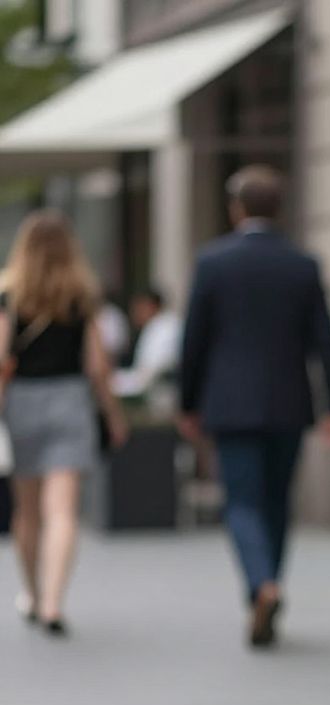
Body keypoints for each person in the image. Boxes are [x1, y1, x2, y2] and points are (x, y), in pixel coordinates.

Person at [178, 165, 330, 648]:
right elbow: (325, 340)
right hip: (289, 403)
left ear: (236, 208)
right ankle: (269, 582)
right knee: (276, 501)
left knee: (242, 501)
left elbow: (194, 340)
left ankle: (262, 585)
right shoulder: (302, 265)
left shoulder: (212, 262)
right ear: (280, 209)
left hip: (229, 404)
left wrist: (187, 403)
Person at [0, 210, 128, 634]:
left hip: (22, 403)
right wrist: (113, 413)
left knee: (27, 511)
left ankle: (33, 594)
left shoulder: (10, 296)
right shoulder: (81, 296)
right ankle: (54, 603)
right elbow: (97, 366)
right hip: (71, 401)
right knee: (63, 511)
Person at [112, 285, 181, 398]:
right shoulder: (156, 326)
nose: (134, 313)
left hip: (161, 396)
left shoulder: (166, 327)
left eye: (138, 307)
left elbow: (150, 373)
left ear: (151, 306)